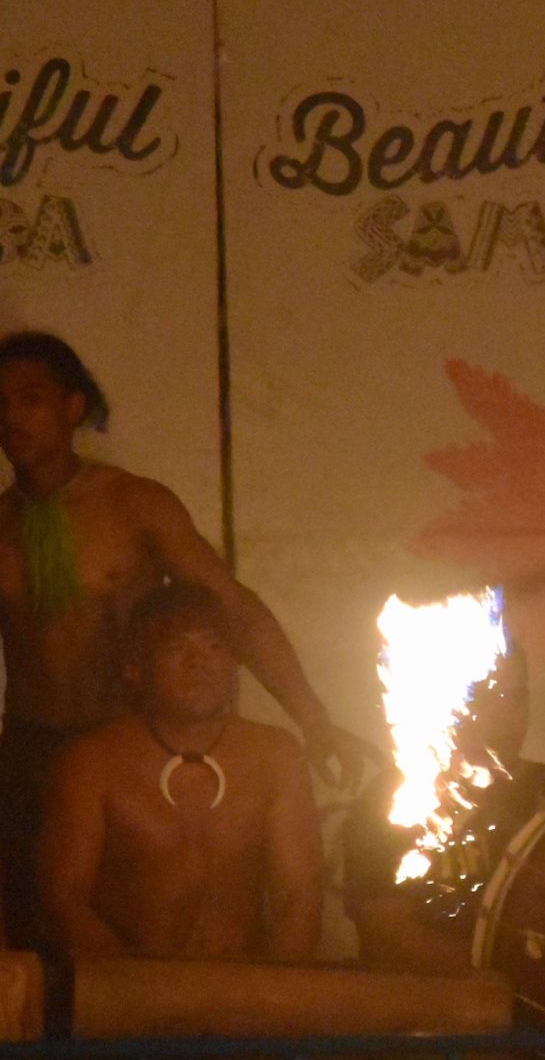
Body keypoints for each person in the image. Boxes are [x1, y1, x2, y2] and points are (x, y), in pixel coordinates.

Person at [0, 331, 371, 947]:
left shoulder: (134, 504)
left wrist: (312, 716)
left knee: (158, 920)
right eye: (0, 402)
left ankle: (205, 1035)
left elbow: (233, 608)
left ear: (72, 408)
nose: (11, 416)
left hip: (129, 750)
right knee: (33, 928)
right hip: (30, 749)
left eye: (30, 398)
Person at [37, 582, 322, 960]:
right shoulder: (92, 763)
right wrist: (143, 991)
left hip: (246, 991)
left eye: (214, 647)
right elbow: (63, 901)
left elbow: (299, 897)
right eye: (176, 649)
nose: (199, 663)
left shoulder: (276, 756)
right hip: (126, 990)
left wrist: (268, 997)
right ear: (134, 669)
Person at [341, 643, 545, 973]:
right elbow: (387, 932)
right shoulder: (396, 801)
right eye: (485, 696)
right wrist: (509, 984)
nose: (504, 717)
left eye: (516, 697)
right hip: (443, 1001)